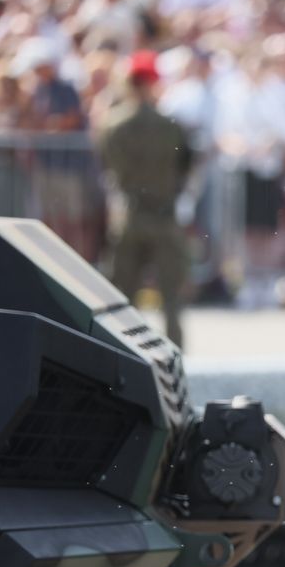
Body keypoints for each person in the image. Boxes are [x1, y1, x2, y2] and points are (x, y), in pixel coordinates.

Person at [97, 50, 194, 348]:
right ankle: (177, 354)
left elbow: (108, 165)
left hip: (131, 215)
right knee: (172, 297)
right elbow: (184, 167)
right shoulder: (171, 126)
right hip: (165, 216)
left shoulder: (113, 125)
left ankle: (125, 351)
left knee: (125, 295)